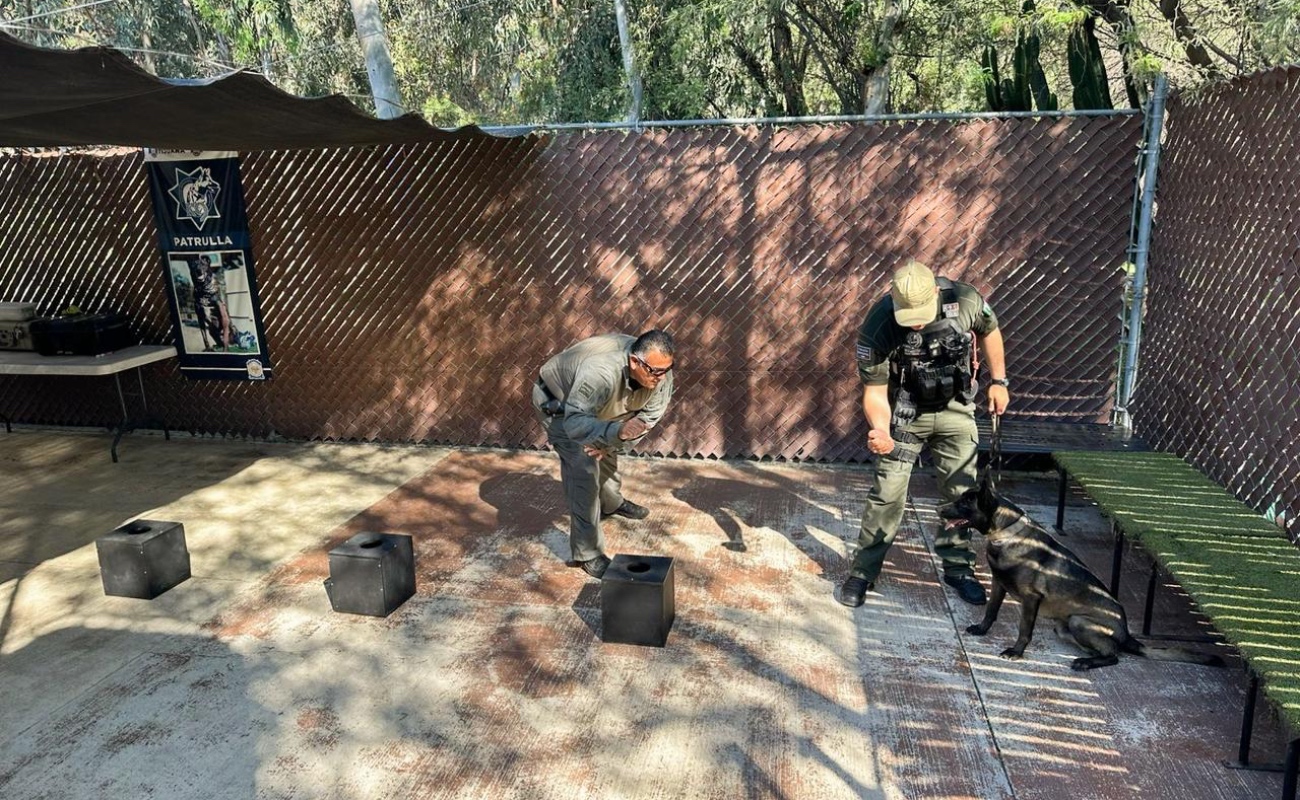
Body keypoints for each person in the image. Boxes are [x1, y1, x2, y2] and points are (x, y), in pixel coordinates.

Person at [838, 260, 1010, 609]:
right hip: (904, 415)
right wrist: (881, 431)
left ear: (935, 292)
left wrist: (999, 381)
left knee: (960, 491)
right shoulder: (880, 324)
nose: (915, 320)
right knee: (886, 494)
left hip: (956, 410)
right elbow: (874, 392)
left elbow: (990, 329)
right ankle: (864, 571)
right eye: (907, 313)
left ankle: (959, 569)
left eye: (920, 311)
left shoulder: (963, 300)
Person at [532, 330, 676, 579]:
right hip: (558, 401)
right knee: (583, 467)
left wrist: (614, 440)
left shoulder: (660, 371)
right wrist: (614, 432)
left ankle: (611, 503)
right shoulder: (600, 372)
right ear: (635, 362)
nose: (661, 379)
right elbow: (576, 424)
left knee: (606, 446)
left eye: (667, 370)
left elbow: (647, 418)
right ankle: (587, 553)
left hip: (599, 403)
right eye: (655, 372)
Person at [189, 254, 231, 351]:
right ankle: (213, 345)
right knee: (212, 328)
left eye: (203, 264)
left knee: (225, 322)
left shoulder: (214, 294)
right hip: (204, 298)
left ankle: (224, 346)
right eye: (200, 264)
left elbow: (225, 320)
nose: (200, 267)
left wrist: (226, 349)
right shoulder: (199, 278)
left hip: (213, 301)